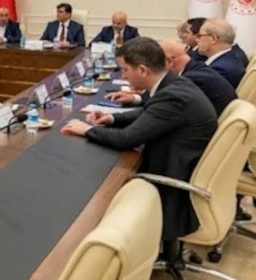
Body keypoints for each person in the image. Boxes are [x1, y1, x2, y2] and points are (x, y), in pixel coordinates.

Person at [62, 37, 217, 242]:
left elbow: (127, 139)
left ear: (142, 70)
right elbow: (150, 112)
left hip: (172, 186)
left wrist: (87, 130)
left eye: (125, 70)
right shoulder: (174, 83)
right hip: (180, 163)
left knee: (96, 184)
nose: (123, 76)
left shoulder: (173, 95)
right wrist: (112, 118)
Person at [108, 39, 237, 117]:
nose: (154, 65)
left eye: (157, 60)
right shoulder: (194, 69)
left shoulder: (192, 79)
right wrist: (135, 98)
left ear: (169, 61)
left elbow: (161, 106)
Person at [196, 18, 245, 88]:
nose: (197, 40)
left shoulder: (219, 69)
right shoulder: (229, 59)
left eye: (199, 36)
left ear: (213, 38)